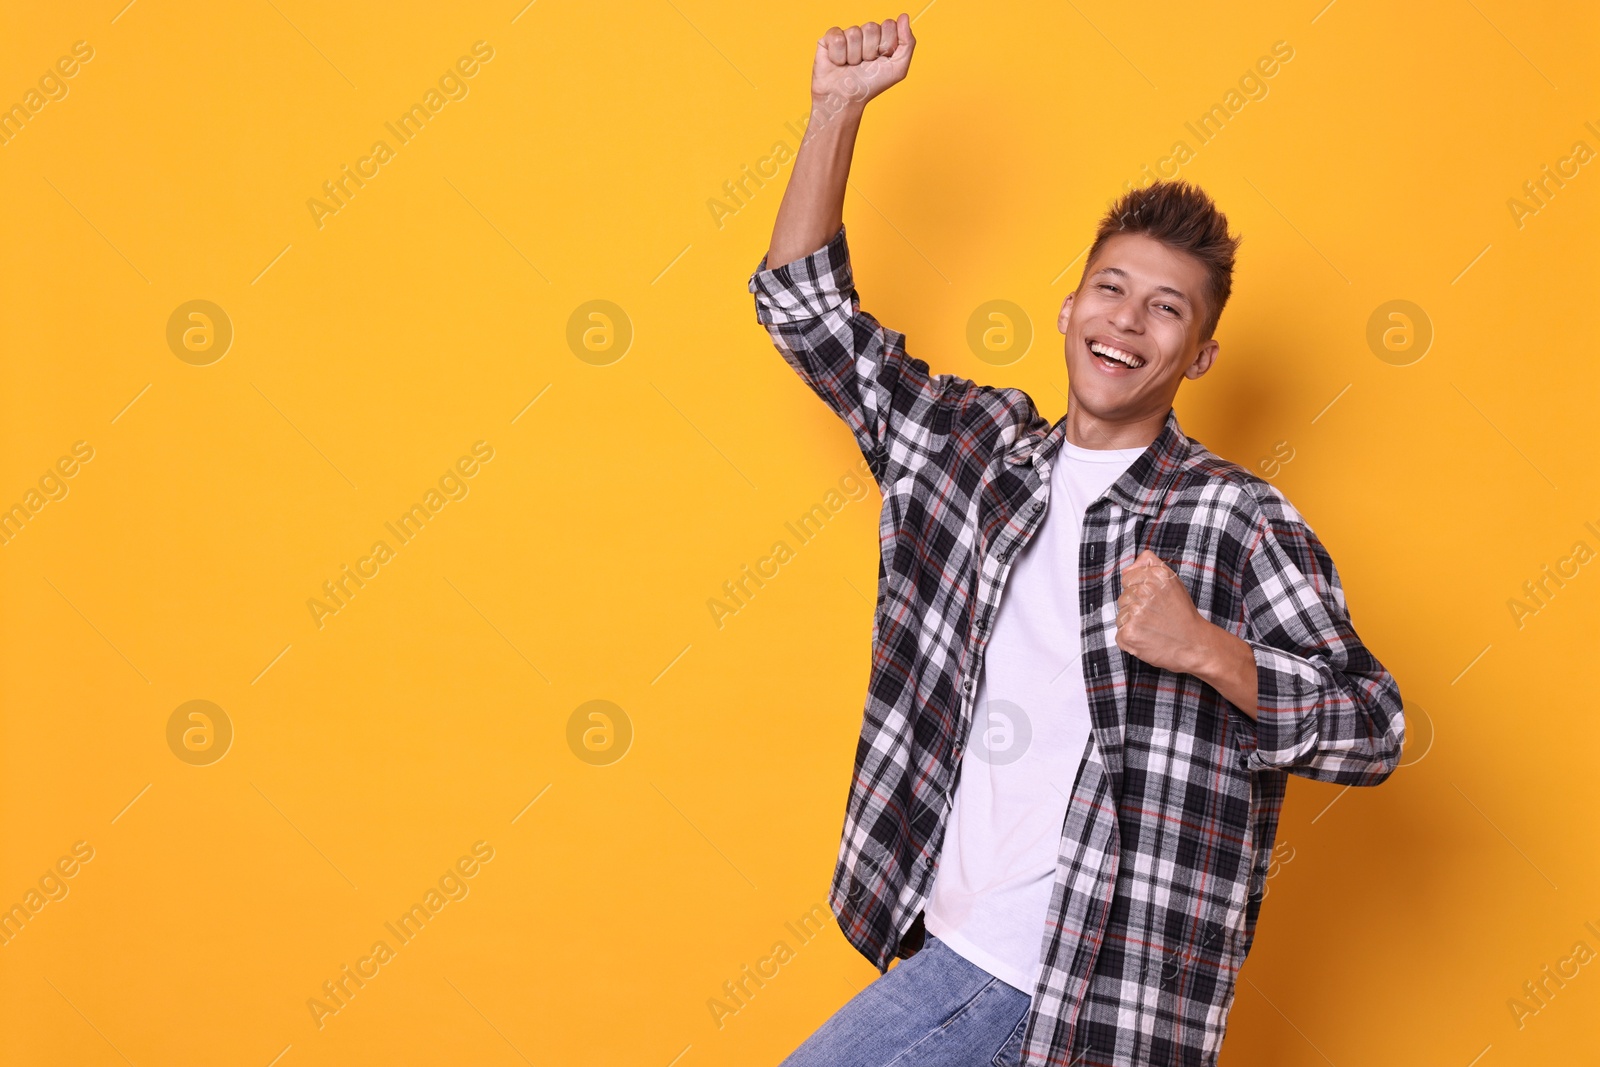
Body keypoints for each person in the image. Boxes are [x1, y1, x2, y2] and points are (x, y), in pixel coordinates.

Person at [746, 14, 1406, 1067]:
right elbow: (806, 314)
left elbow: (1374, 726)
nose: (1127, 322)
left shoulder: (1232, 519)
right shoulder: (971, 454)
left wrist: (1207, 648)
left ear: (1198, 355)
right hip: (939, 932)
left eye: (1165, 310)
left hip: (1069, 976)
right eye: (1111, 288)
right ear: (1065, 308)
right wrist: (834, 109)